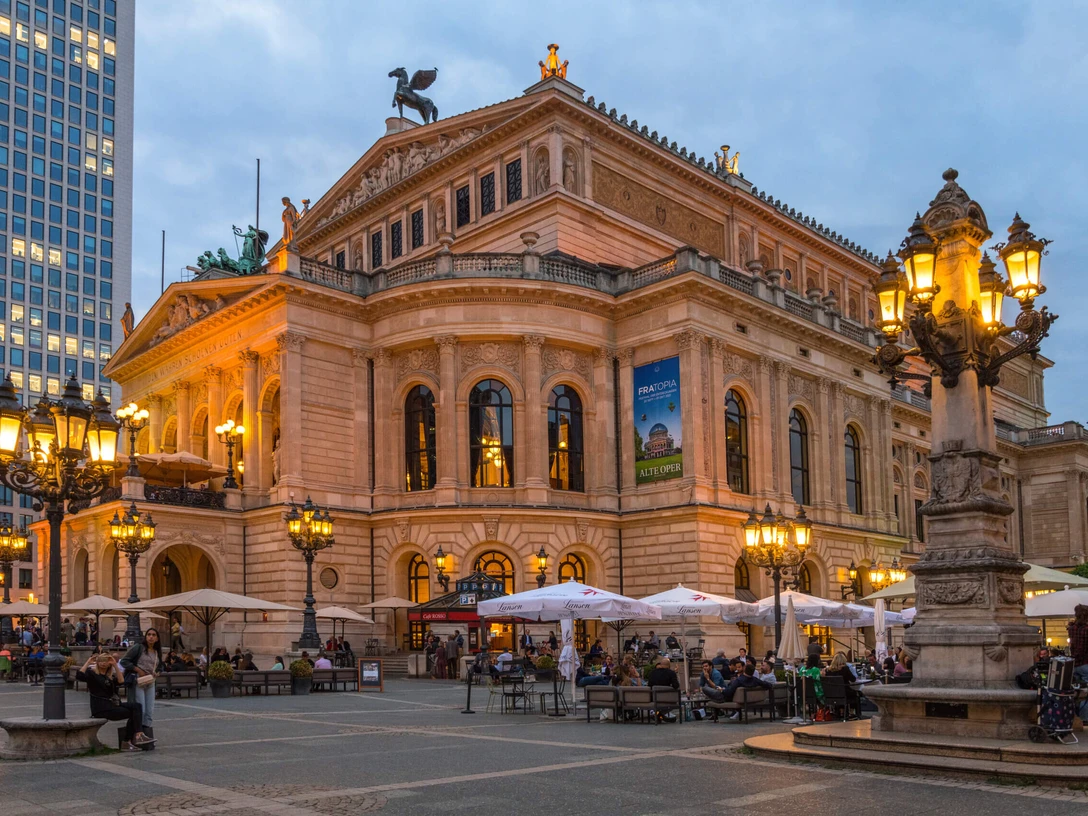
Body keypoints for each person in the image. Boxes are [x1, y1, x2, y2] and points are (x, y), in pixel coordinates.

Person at [77, 653, 154, 750]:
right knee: (134, 713)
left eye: (105, 661)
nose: (103, 664)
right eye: (100, 661)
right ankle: (128, 741)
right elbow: (79, 676)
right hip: (101, 708)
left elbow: (121, 681)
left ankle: (138, 735)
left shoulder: (109, 677)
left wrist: (115, 665)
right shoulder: (92, 674)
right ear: (97, 663)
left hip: (112, 705)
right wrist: (88, 662)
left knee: (137, 706)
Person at [121, 628, 163, 745]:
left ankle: (145, 735)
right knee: (141, 710)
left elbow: (161, 666)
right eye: (148, 634)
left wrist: (158, 672)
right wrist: (138, 669)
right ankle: (134, 736)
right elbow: (124, 661)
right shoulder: (138, 648)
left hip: (150, 682)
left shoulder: (156, 651)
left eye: (153, 635)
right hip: (137, 681)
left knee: (149, 711)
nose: (151, 637)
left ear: (157, 638)